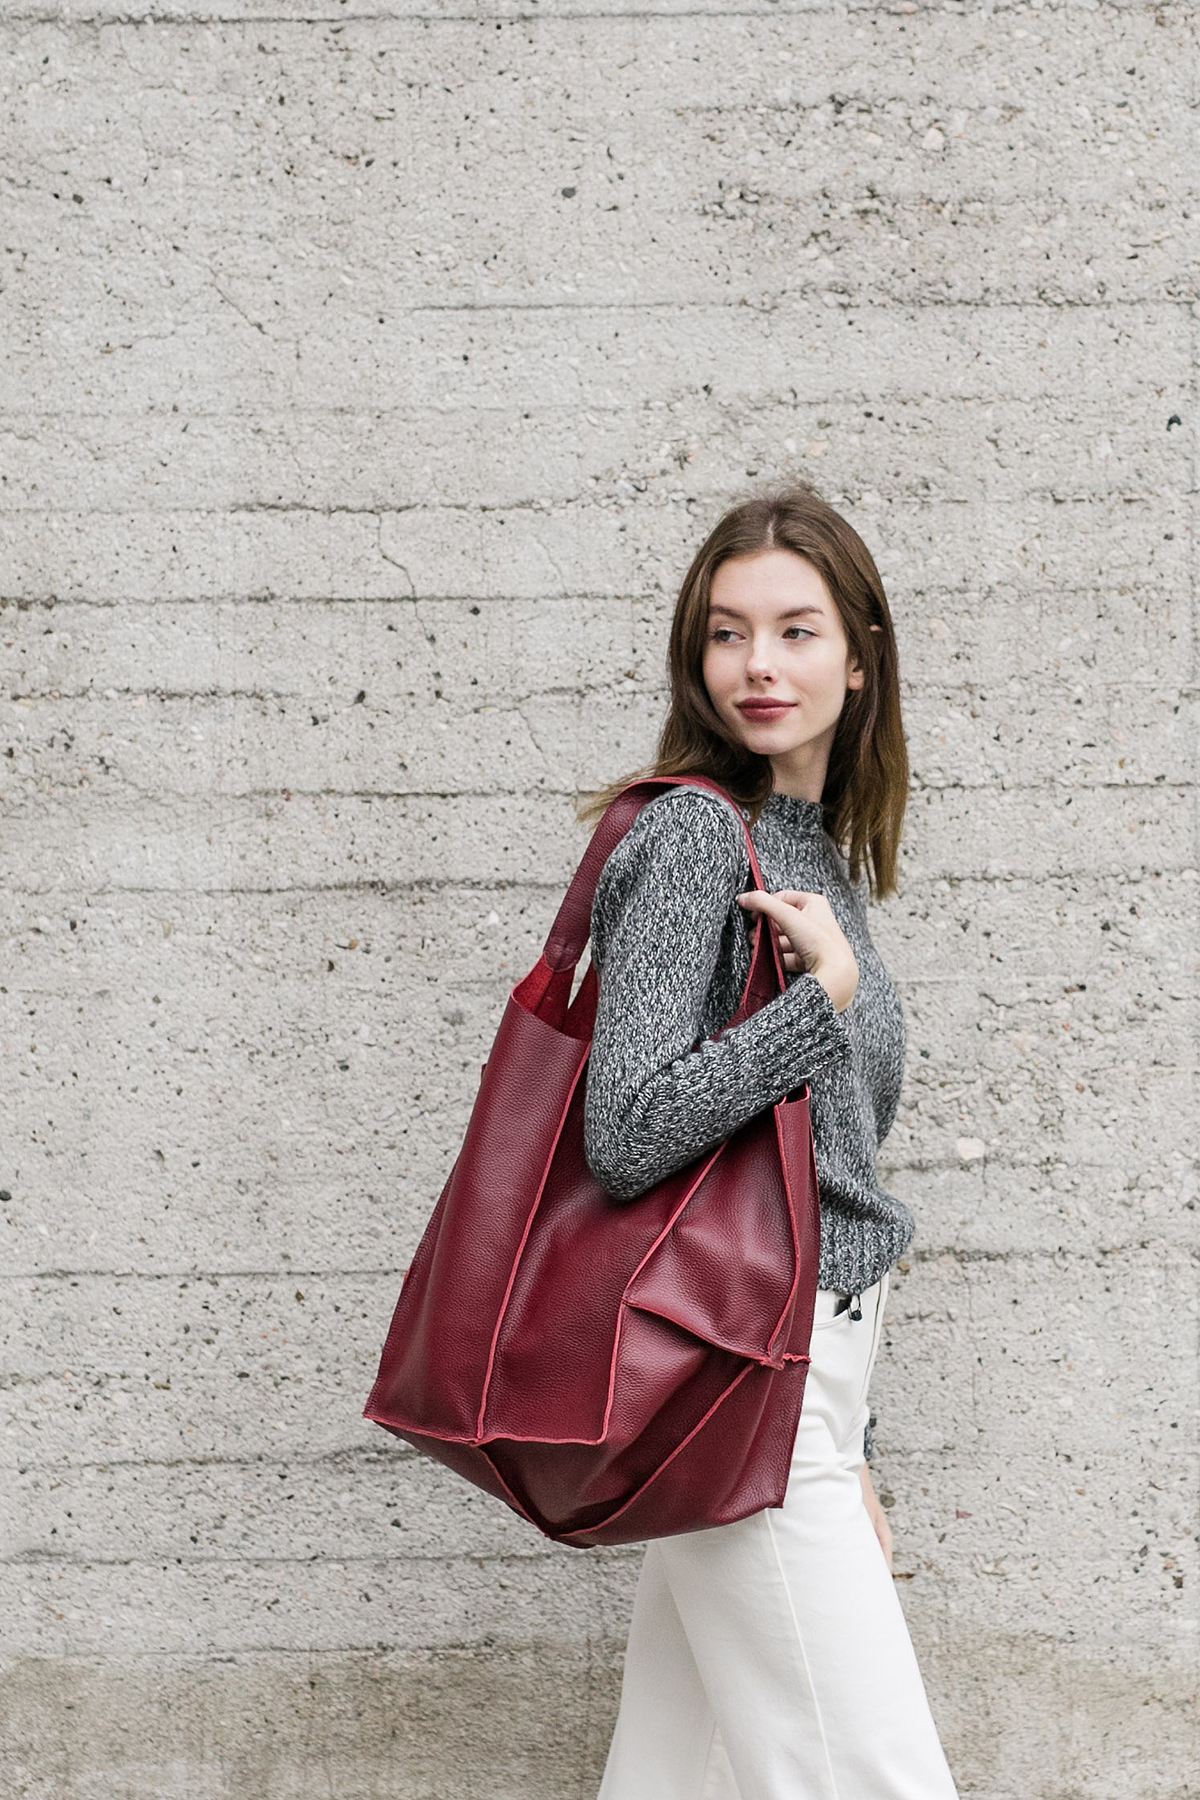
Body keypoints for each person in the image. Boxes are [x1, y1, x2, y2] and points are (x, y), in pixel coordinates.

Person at [576, 484, 960, 1800]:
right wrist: (819, 1008)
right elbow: (624, 1132)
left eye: (796, 631)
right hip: (752, 1376)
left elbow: (825, 1181)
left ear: (861, 655)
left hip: (808, 1382)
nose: (758, 665)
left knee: (685, 1776)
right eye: (728, 632)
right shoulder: (695, 839)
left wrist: (857, 1452)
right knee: (877, 1778)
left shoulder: (813, 851)